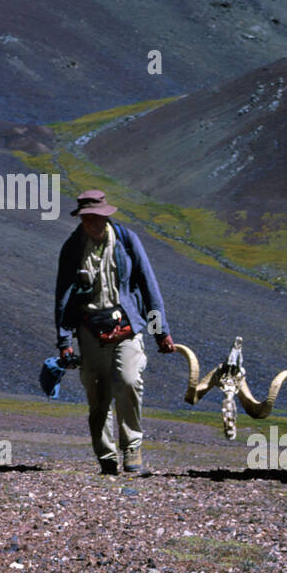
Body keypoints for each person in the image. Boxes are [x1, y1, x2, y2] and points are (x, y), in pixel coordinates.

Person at [55, 189, 175, 474]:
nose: (94, 222)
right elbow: (62, 295)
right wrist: (64, 340)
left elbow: (148, 286)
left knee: (129, 381)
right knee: (98, 396)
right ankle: (107, 459)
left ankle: (132, 449)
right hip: (89, 329)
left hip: (127, 326)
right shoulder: (72, 248)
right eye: (88, 218)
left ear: (106, 215)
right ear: (81, 218)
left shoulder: (126, 241)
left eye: (98, 217)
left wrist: (161, 332)